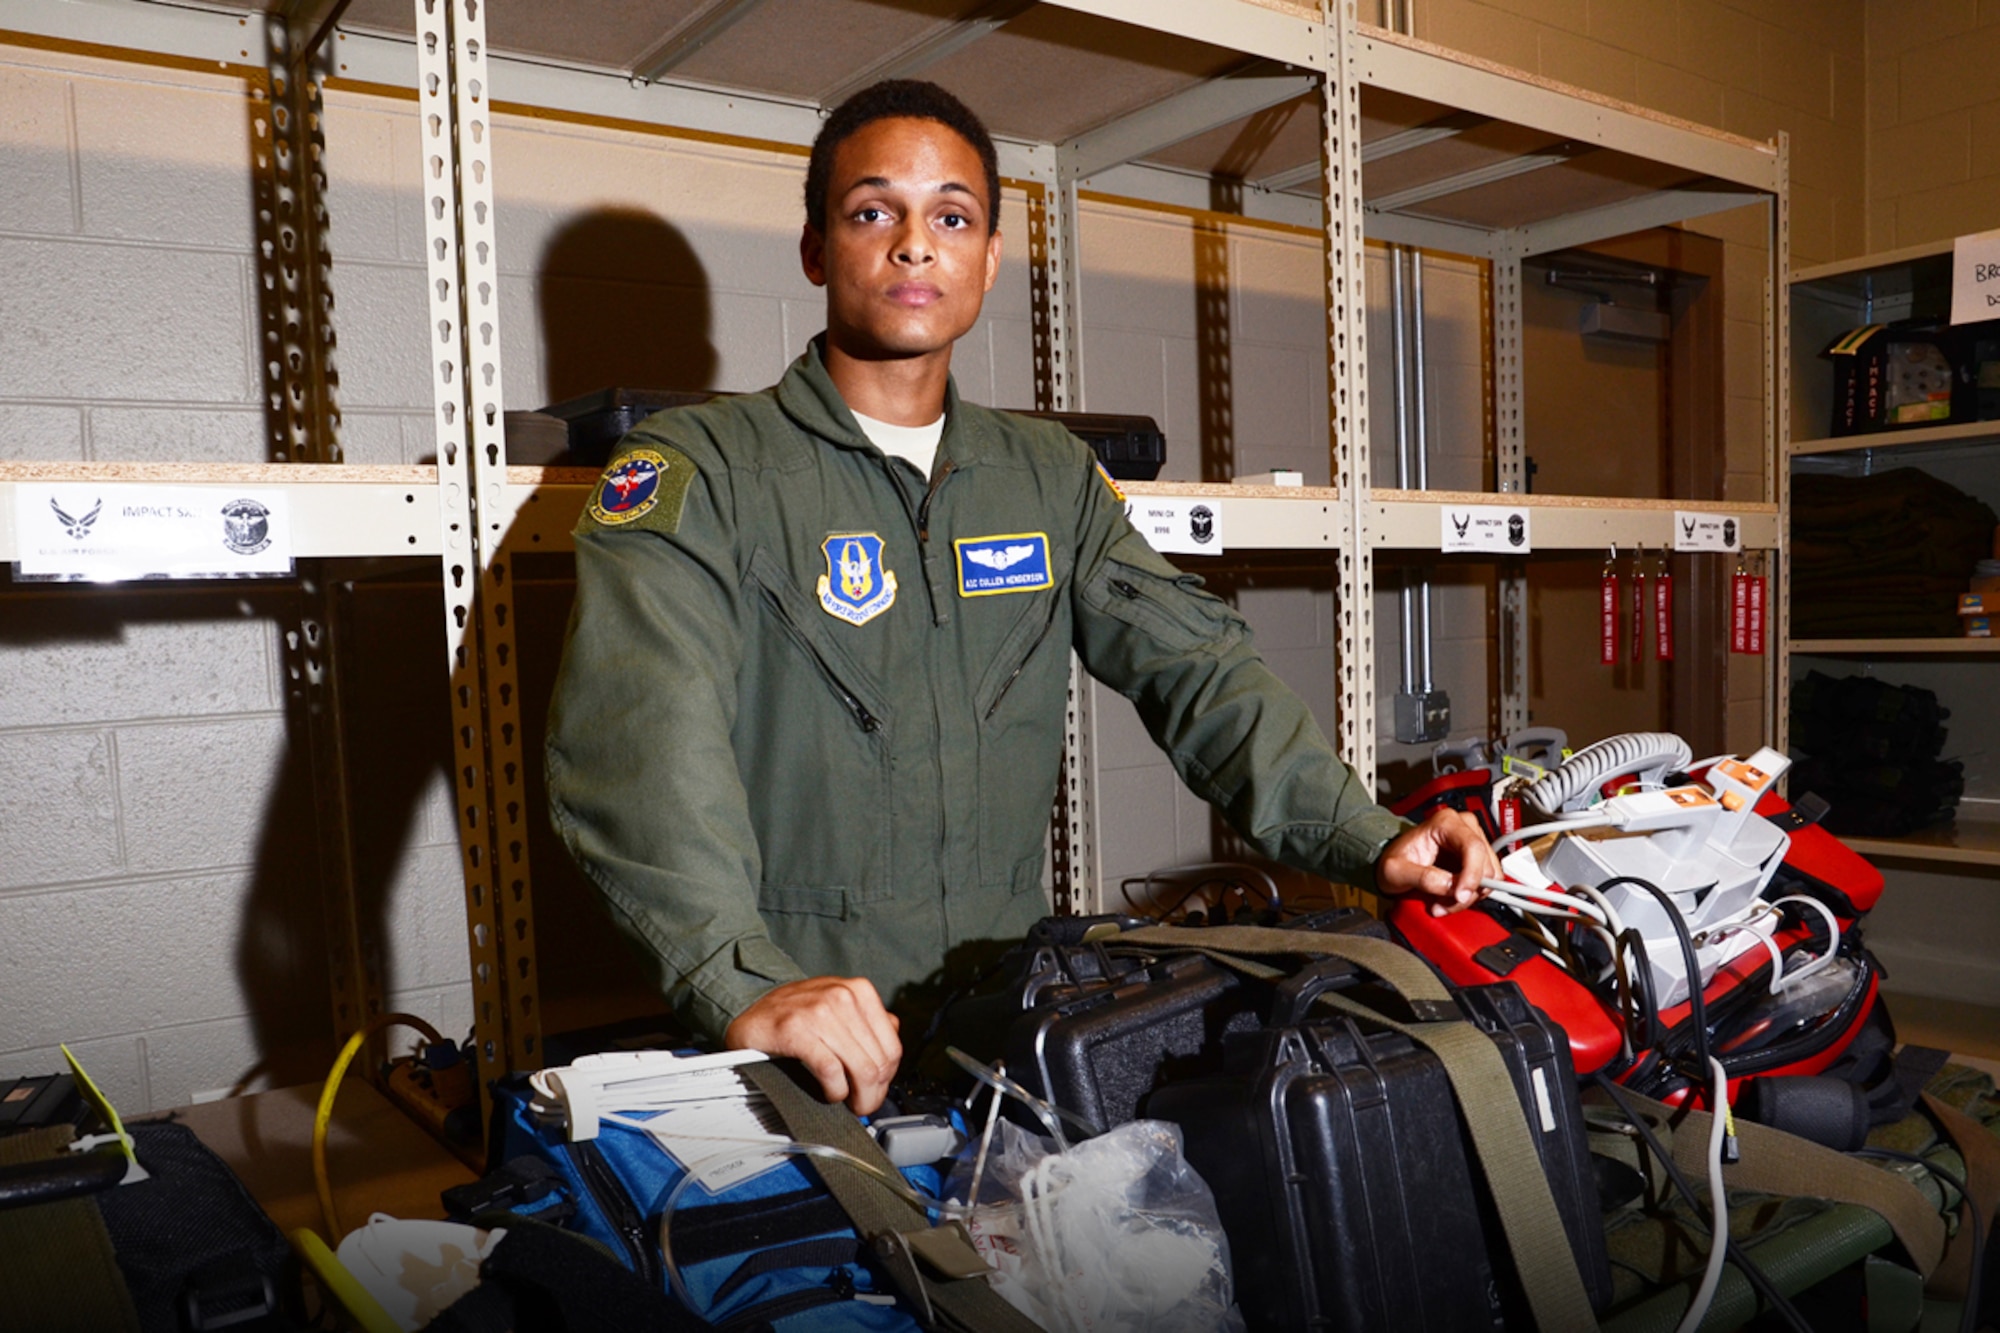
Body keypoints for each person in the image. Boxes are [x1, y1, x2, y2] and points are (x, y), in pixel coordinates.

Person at [545, 80, 1497, 1116]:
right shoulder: (700, 473)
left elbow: (1197, 667)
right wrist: (744, 980)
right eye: (874, 212)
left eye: (950, 217)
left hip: (1006, 1025)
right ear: (817, 249)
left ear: (987, 257)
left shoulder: (1043, 478)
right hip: (799, 1045)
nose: (915, 245)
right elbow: (639, 754)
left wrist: (1363, 834)